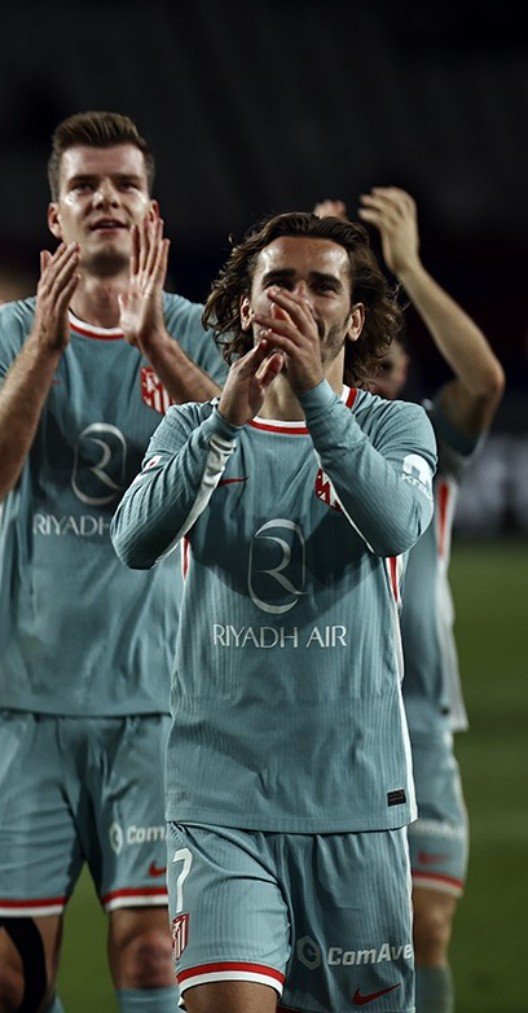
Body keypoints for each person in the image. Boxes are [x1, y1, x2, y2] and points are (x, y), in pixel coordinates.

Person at [114, 210, 433, 1013]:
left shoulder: (395, 425)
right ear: (246, 306)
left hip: (354, 799)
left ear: (353, 318)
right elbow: (134, 538)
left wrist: (318, 398)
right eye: (279, 281)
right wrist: (226, 415)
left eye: (322, 284)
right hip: (222, 801)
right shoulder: (193, 428)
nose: (298, 297)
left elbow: (394, 523)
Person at [0, 111, 225, 1012]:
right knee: (10, 976)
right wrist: (47, 345)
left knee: (152, 956)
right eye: (84, 186)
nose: (105, 198)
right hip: (24, 695)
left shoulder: (199, 329)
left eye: (125, 185)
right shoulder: (0, 336)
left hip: (159, 700)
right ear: (56, 216)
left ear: (152, 211)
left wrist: (153, 343)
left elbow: (253, 468)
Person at [317, 189, 504, 1013]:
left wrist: (408, 269)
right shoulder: (298, 431)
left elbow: (485, 379)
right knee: (320, 945)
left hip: (415, 718)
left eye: (399, 363)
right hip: (316, 717)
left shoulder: (416, 437)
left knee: (424, 926)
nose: (387, 374)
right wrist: (319, 263)